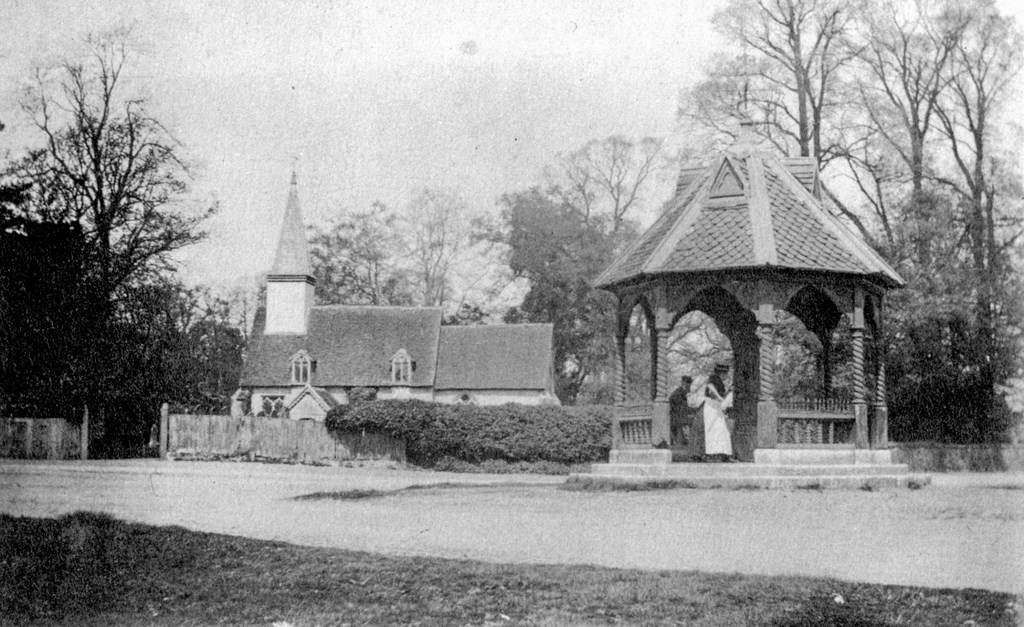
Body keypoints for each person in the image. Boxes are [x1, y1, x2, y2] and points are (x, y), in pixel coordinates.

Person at [699, 364, 734, 462]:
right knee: (712, 431)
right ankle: (712, 454)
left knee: (721, 431)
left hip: (716, 407)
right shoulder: (714, 378)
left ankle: (723, 454)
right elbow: (710, 386)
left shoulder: (720, 382)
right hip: (711, 407)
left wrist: (727, 393)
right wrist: (719, 397)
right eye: (725, 373)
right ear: (721, 373)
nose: (726, 376)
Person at [668, 375, 694, 448]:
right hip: (679, 419)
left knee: (684, 437)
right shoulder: (678, 393)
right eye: (689, 384)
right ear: (684, 383)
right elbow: (677, 407)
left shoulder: (681, 393)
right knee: (683, 436)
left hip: (680, 418)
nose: (690, 387)